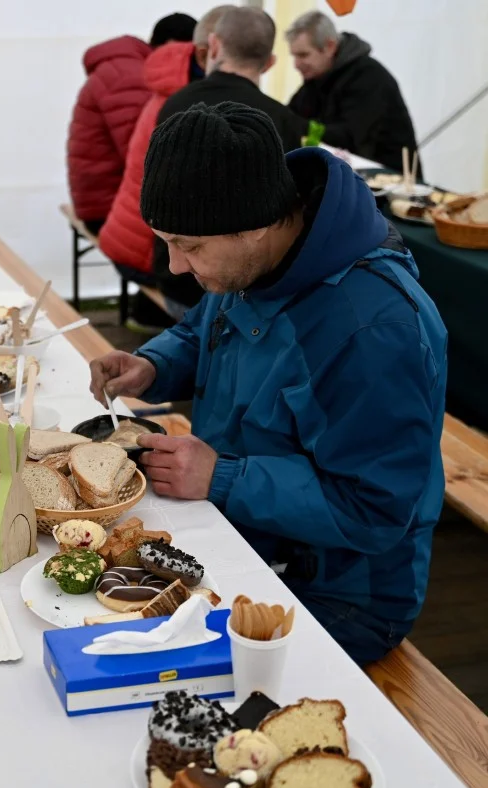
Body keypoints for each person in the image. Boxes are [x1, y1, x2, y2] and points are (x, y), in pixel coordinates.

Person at [89, 102, 447, 665]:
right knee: (86, 598)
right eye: (166, 240)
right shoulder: (257, 255)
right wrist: (155, 364)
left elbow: (375, 510)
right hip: (241, 529)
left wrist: (223, 477)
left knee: (137, 669)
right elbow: (207, 328)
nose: (175, 266)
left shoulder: (375, 331)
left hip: (340, 592)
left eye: (189, 245)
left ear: (254, 228)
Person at [149, 6, 310, 322]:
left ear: (214, 46)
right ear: (270, 63)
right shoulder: (281, 119)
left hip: (177, 289)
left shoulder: (175, 105)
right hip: (232, 295)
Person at [100, 5, 232, 278]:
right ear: (206, 52)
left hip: (127, 233)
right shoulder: (188, 104)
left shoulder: (166, 90)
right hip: (146, 251)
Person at [66, 12, 197, 234]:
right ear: (171, 46)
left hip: (99, 199)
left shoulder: (127, 67)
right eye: (192, 56)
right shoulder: (130, 76)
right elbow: (145, 155)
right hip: (106, 210)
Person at [286, 10, 420, 176]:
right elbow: (291, 115)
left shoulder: (369, 77)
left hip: (391, 182)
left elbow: (350, 138)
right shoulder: (316, 78)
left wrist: (300, 127)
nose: (296, 64)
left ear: (329, 47)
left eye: (303, 55)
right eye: (294, 56)